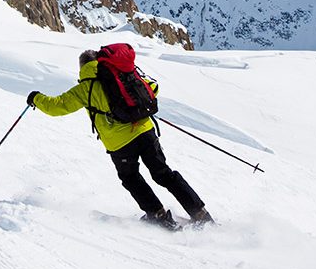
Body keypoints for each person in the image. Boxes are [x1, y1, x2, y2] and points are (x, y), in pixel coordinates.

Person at [27, 50, 213, 229]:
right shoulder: (124, 75)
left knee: (131, 177)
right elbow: (153, 88)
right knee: (163, 173)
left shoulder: (84, 88)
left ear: (82, 67)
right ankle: (200, 214)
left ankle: (158, 215)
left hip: (120, 144)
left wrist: (36, 98)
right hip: (145, 131)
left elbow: (57, 107)